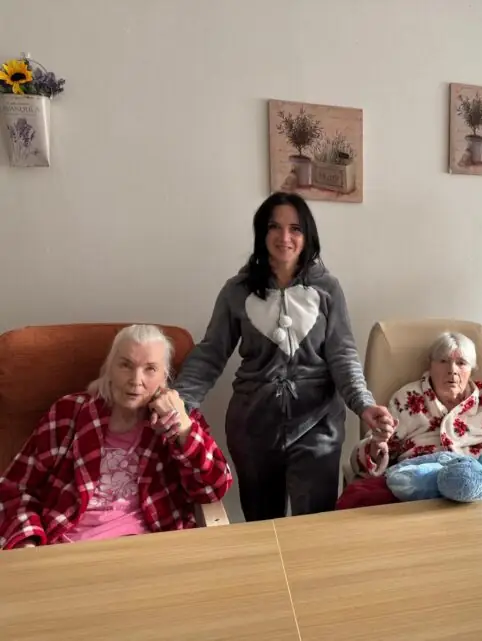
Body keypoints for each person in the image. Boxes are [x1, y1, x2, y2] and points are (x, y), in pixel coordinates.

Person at [173, 192, 393, 521]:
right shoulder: (236, 290)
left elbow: (343, 355)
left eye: (295, 228)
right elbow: (211, 353)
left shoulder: (328, 289)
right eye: (274, 227)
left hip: (318, 423)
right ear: (262, 233)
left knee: (315, 524)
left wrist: (364, 404)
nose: (284, 237)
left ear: (307, 235)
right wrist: (179, 403)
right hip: (252, 424)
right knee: (264, 525)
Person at [0, 324, 232, 550]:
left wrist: (184, 430)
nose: (136, 380)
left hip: (152, 548)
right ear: (110, 368)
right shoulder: (68, 412)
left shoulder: (179, 420)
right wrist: (26, 540)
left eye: (150, 369)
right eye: (125, 365)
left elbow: (213, 489)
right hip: (70, 548)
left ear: (165, 377)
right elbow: (15, 489)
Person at [351, 332, 482, 478]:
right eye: (443, 361)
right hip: (421, 478)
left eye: (461, 363)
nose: (452, 370)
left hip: (480, 477)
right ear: (430, 365)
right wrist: (377, 444)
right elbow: (369, 455)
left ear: (472, 369)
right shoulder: (407, 398)